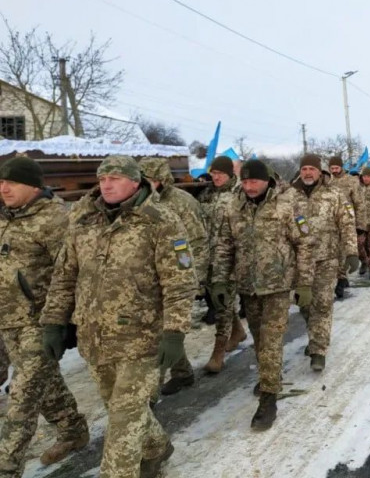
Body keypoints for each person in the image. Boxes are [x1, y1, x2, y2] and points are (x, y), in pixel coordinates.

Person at [41, 155, 196, 478]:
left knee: (123, 420)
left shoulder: (160, 220)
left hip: (141, 338)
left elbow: (179, 282)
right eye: (101, 179)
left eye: (114, 178)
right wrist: (55, 322)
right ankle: (156, 447)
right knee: (119, 405)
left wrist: (175, 332)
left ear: (135, 182)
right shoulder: (83, 220)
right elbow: (65, 275)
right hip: (95, 335)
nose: (106, 184)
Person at [0, 158, 89, 477]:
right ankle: (74, 430)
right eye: (0, 182)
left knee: (21, 399)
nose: (3, 188)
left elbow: (74, 272)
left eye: (11, 182)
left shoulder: (56, 219)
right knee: (45, 383)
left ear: (34, 186)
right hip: (6, 320)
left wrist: (67, 322)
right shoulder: (5, 217)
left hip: (39, 323)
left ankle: (7, 468)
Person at [209, 159, 313, 430]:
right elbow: (224, 245)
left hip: (278, 285)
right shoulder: (234, 204)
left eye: (254, 181)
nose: (249, 186)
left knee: (271, 339)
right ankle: (270, 375)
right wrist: (219, 281)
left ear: (266, 180)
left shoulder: (288, 202)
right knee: (258, 338)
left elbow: (304, 244)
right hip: (247, 286)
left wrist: (304, 283)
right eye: (244, 181)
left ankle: (268, 399)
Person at [139, 157, 209, 397]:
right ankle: (182, 372)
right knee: (160, 330)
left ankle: (148, 396)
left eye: (149, 180)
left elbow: (198, 242)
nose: (144, 184)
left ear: (161, 180)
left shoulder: (182, 203)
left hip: (176, 275)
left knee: (163, 331)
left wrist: (194, 279)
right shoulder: (141, 201)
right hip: (147, 276)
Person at [282, 155, 359, 372]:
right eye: (304, 168)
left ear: (320, 171)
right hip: (297, 261)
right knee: (304, 303)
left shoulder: (334, 194)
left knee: (323, 303)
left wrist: (351, 252)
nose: (308, 173)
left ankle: (318, 350)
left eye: (312, 169)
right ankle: (315, 334)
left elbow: (347, 223)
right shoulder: (288, 195)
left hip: (327, 258)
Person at [198, 156, 247, 374]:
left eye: (220, 173)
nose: (216, 177)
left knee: (223, 301)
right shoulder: (206, 194)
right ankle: (237, 331)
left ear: (230, 174)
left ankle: (218, 352)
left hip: (229, 258)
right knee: (219, 301)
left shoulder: (239, 195)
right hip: (208, 257)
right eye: (213, 173)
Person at [328, 155, 365, 299]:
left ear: (342, 167)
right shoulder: (327, 181)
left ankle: (341, 280)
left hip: (346, 221)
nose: (334, 171)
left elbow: (359, 203)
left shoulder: (351, 181)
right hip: (329, 223)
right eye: (332, 168)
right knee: (332, 253)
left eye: (337, 168)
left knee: (344, 252)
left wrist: (360, 224)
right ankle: (338, 278)